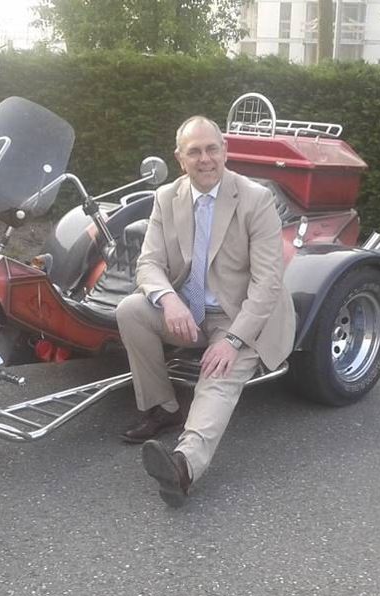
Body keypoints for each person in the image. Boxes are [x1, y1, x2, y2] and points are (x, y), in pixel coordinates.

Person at [115, 115, 295, 507]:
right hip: (190, 309)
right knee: (131, 310)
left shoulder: (255, 199)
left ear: (225, 151)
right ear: (180, 159)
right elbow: (148, 264)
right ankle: (164, 408)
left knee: (218, 373)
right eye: (194, 151)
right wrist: (168, 299)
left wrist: (232, 340)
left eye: (212, 149)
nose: (205, 159)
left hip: (244, 315)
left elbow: (268, 283)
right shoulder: (167, 197)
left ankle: (183, 466)